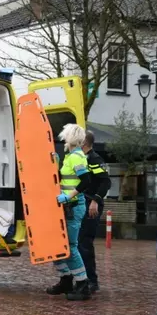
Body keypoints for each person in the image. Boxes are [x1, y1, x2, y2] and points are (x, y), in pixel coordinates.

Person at [46, 123, 94, 300]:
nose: (63, 139)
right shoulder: (71, 156)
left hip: (73, 207)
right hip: (67, 207)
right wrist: (56, 164)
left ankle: (83, 285)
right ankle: (66, 280)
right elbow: (67, 179)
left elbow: (85, 181)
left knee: (70, 247)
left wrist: (69, 196)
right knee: (58, 246)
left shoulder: (76, 157)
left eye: (65, 136)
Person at [78, 130, 111, 293]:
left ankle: (91, 281)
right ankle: (80, 279)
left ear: (84, 142)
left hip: (90, 205)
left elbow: (105, 182)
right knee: (78, 242)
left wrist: (95, 200)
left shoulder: (94, 159)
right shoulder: (79, 158)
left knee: (84, 242)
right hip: (80, 204)